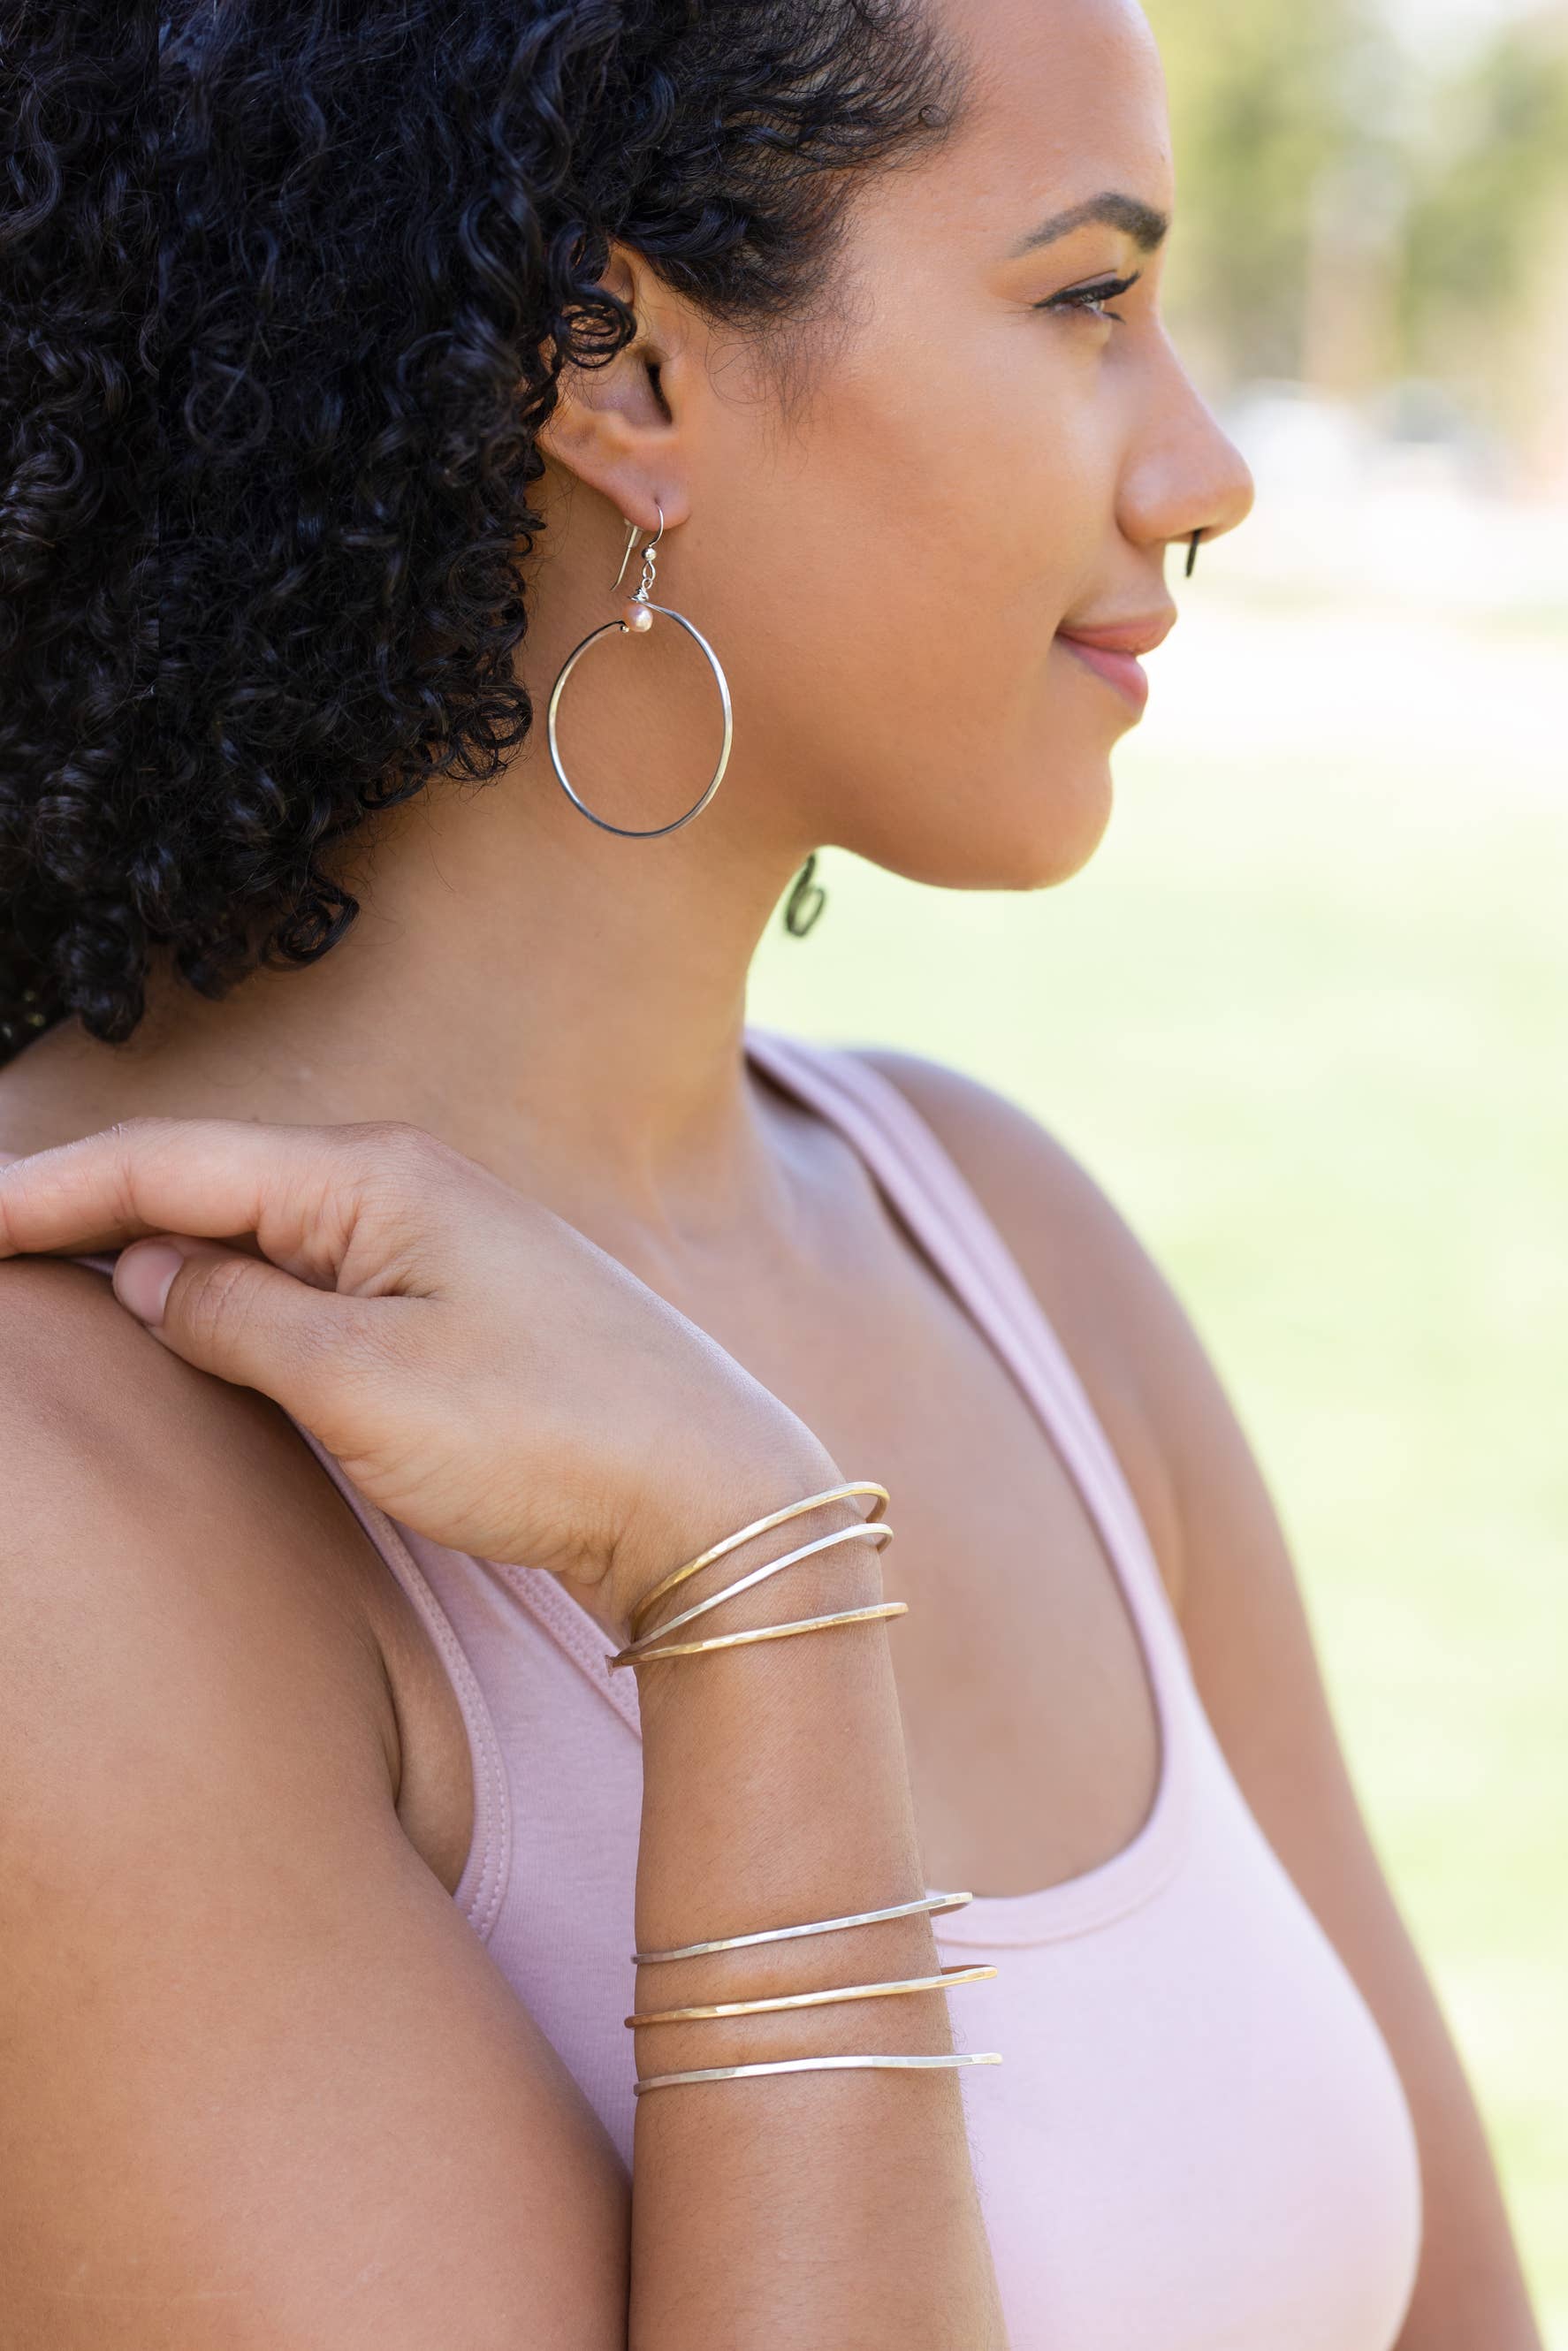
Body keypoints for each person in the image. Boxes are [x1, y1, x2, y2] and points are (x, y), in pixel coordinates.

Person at [0, 0, 1545, 2344]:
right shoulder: (67, 1499)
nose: (1208, 470)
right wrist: (758, 1611)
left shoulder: (1010, 1241)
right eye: (1087, 297)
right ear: (624, 371)